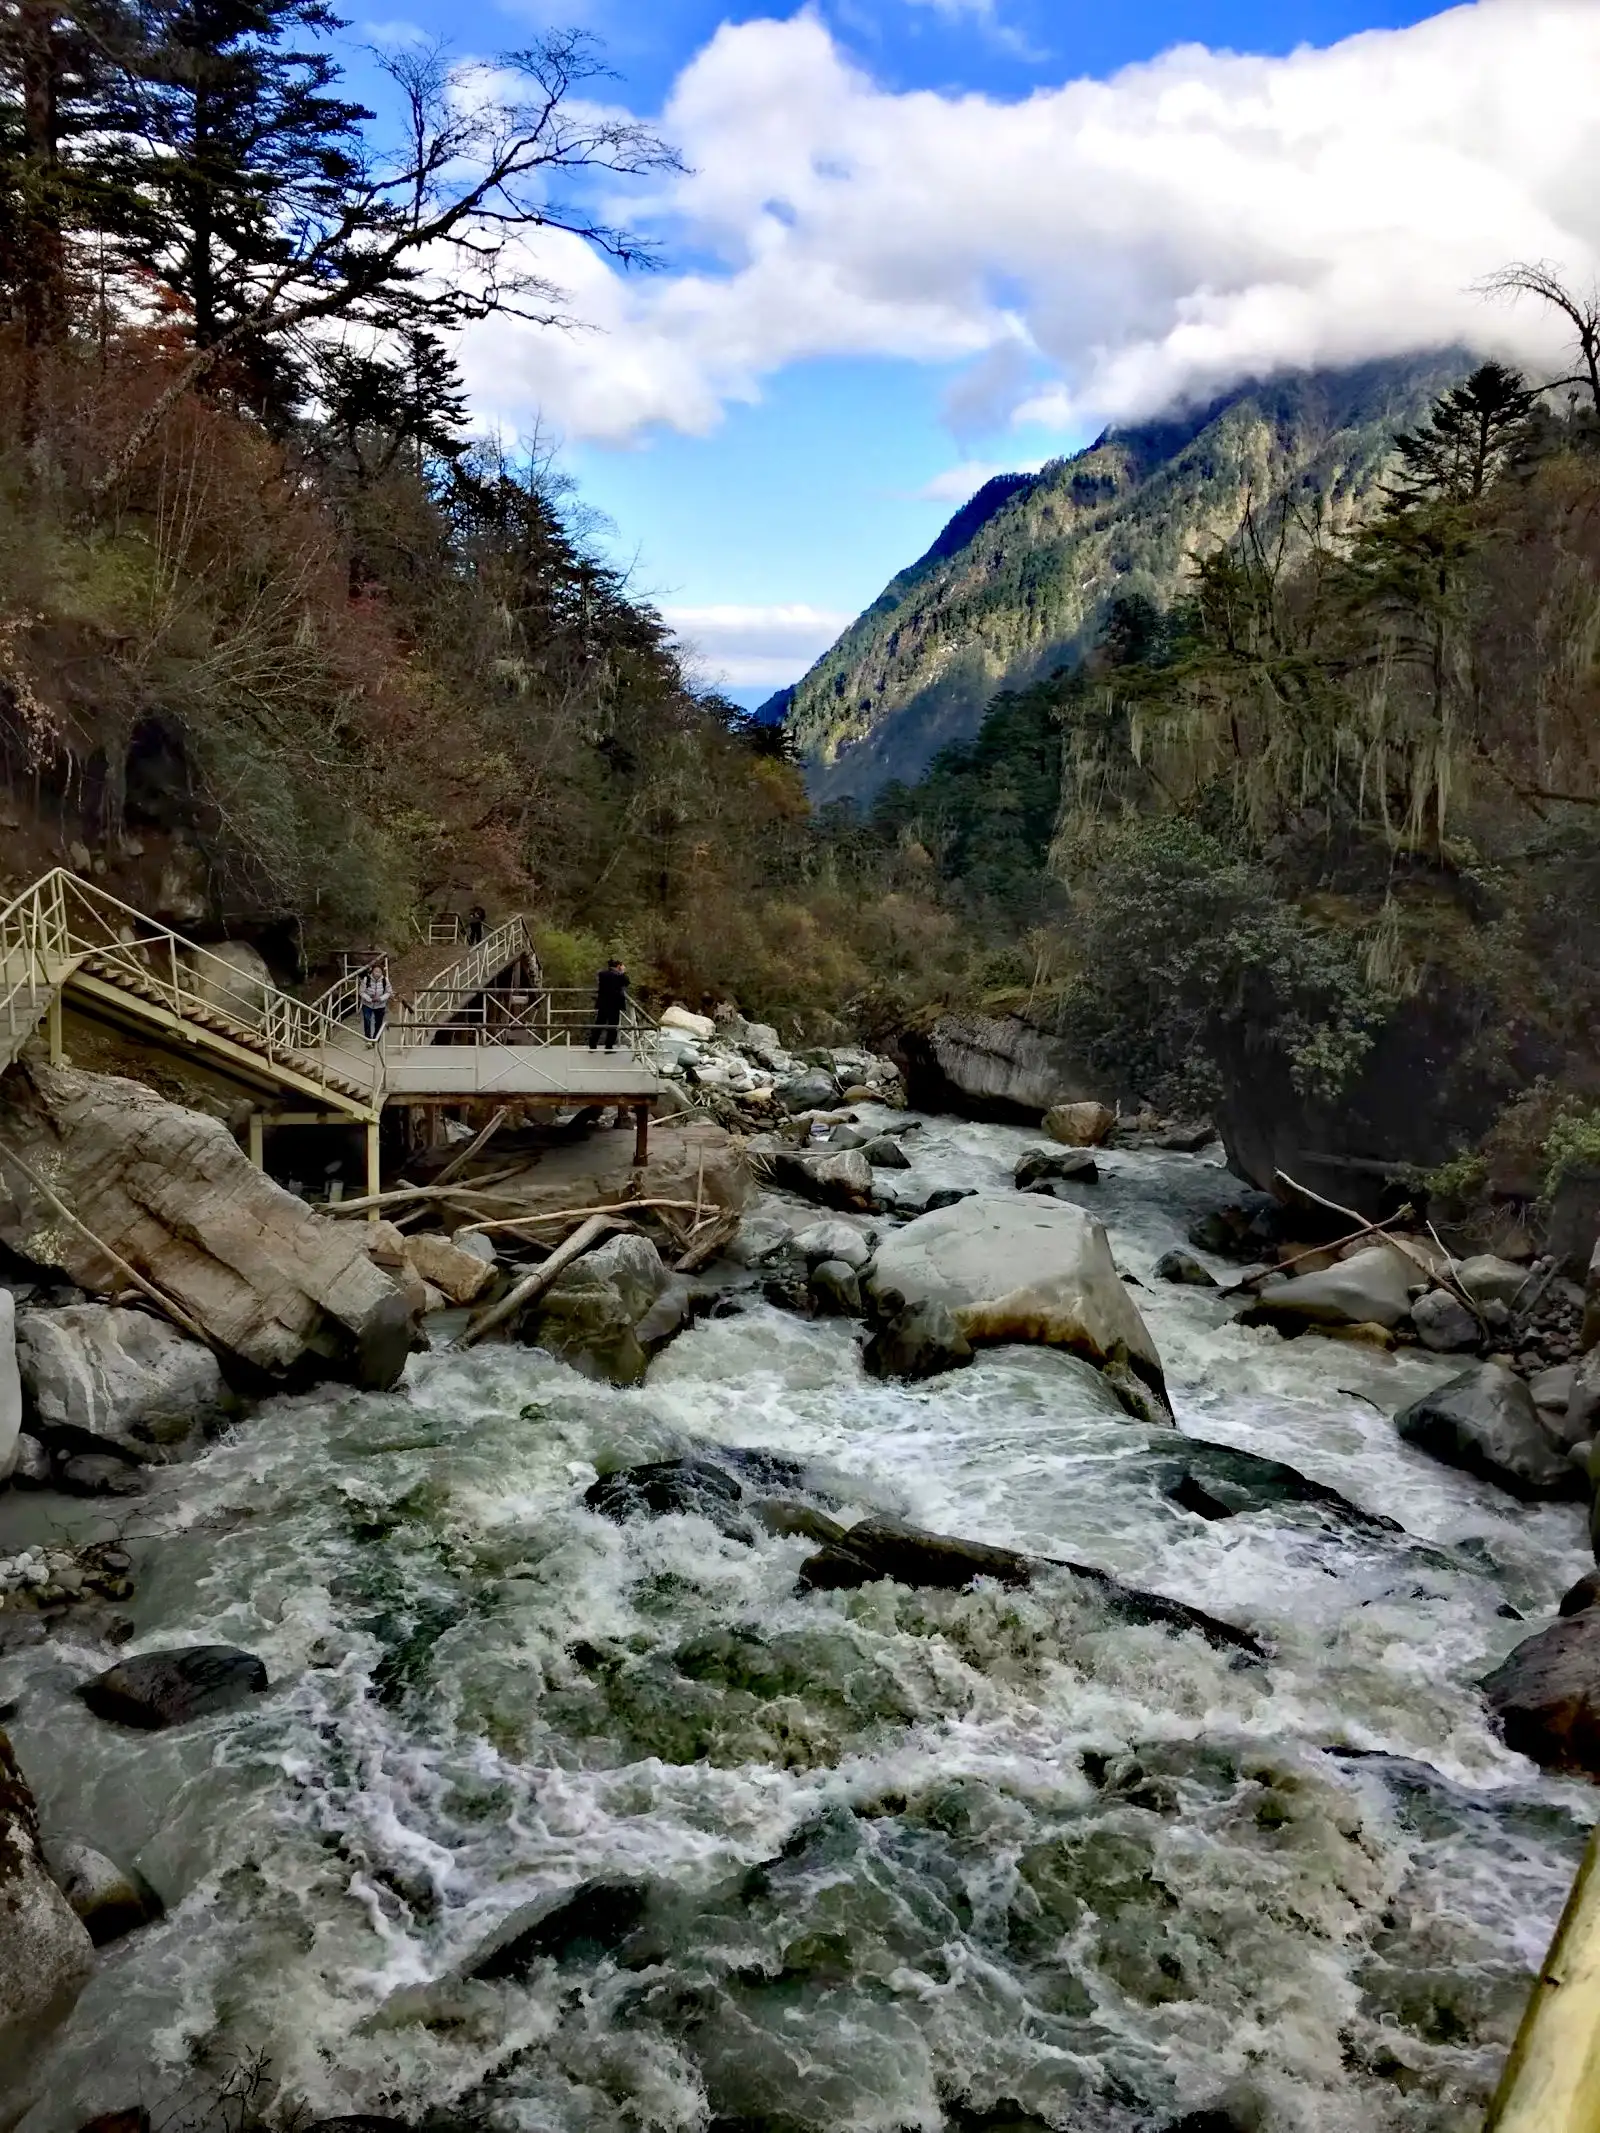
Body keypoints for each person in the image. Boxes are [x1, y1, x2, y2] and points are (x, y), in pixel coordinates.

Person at [589, 957, 629, 1051]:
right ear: (618, 966)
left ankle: (592, 1044)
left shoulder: (603, 974)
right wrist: (622, 972)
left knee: (599, 1024)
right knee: (613, 1026)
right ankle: (609, 1047)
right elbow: (626, 982)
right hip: (615, 1005)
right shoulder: (619, 976)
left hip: (603, 1004)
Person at [358, 958, 392, 1044]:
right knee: (367, 1020)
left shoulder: (385, 980)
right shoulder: (366, 979)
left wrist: (380, 998)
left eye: (379, 972)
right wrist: (369, 998)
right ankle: (368, 1039)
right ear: (372, 971)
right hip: (367, 1004)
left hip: (380, 1005)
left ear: (382, 973)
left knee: (378, 1022)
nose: (377, 973)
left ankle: (376, 1038)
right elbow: (361, 992)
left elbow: (388, 992)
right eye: (375, 971)